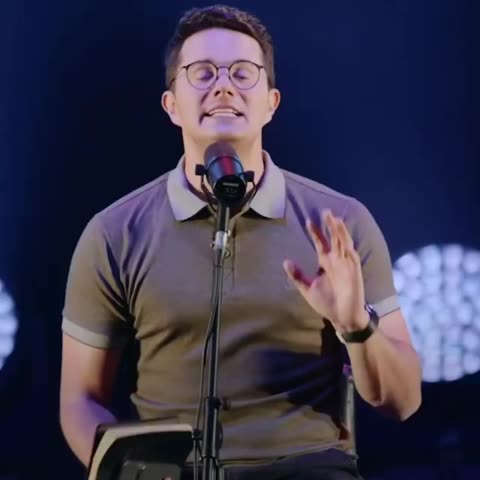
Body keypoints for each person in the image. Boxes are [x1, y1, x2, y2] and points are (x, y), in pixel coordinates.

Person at [59, 5, 422, 479]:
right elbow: (79, 400)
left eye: (243, 73)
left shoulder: (341, 224)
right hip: (170, 471)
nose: (224, 86)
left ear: (271, 102)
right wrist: (130, 470)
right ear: (171, 104)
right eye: (202, 72)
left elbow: (403, 401)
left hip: (306, 468)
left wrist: (356, 326)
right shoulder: (114, 232)